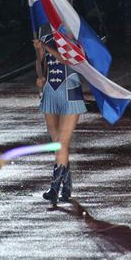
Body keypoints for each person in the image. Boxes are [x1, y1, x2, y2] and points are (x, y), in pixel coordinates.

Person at [33, 29, 86, 204]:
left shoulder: (75, 39)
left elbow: (66, 59)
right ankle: (67, 185)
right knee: (57, 143)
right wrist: (40, 76)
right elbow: (40, 63)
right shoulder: (47, 39)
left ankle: (54, 187)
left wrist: (46, 47)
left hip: (70, 93)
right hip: (51, 93)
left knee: (61, 143)